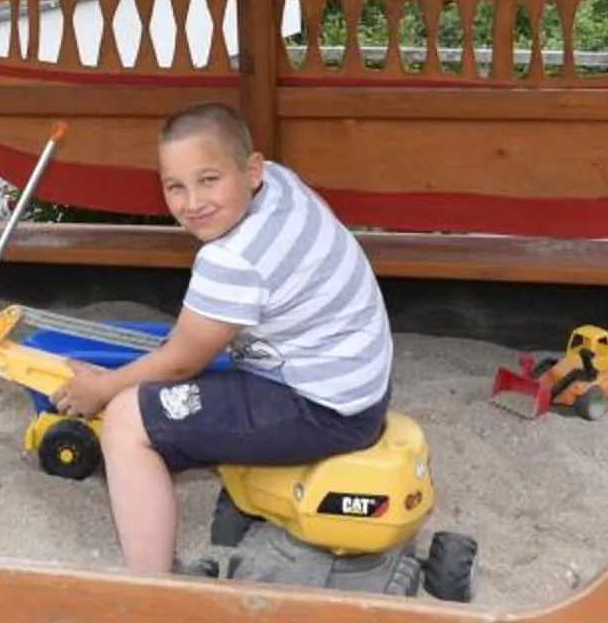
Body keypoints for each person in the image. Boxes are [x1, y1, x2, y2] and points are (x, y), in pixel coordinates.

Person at [49, 102, 394, 576]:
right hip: (358, 384)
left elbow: (179, 364)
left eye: (208, 180)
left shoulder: (234, 259)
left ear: (250, 170)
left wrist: (104, 389)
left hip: (322, 408)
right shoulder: (281, 184)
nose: (193, 203)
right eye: (176, 186)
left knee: (129, 420)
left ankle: (150, 585)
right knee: (201, 379)